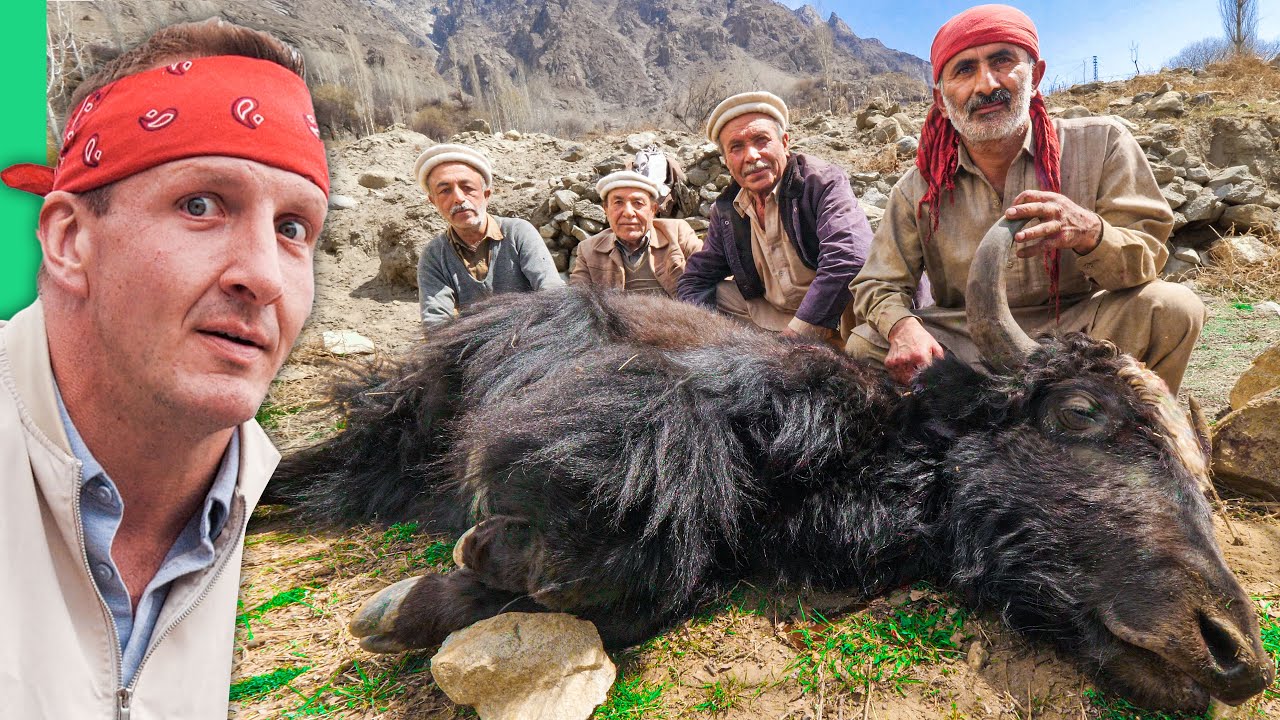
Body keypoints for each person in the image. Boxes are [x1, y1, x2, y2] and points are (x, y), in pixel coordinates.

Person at [0, 19, 329, 717]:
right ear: (68, 240)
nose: (264, 276)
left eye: (293, 227)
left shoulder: (241, 492)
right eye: (201, 205)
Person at [848, 4, 1203, 392]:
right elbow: (878, 284)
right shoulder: (918, 187)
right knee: (865, 343)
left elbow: (1147, 257)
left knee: (1172, 309)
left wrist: (1092, 234)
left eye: (1002, 61)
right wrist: (903, 326)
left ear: (1036, 76)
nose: (986, 85)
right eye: (964, 70)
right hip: (967, 340)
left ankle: (1125, 441)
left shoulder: (1102, 144)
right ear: (940, 99)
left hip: (1080, 331)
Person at [676, 91, 875, 344]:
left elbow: (849, 257)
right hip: (778, 316)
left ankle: (841, 347)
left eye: (761, 140)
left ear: (784, 142)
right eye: (736, 147)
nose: (752, 156)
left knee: (866, 300)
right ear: (726, 161)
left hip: (838, 316)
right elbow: (696, 278)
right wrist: (702, 337)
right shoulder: (727, 209)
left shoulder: (822, 182)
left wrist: (794, 338)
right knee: (716, 296)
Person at [414, 143, 563, 329]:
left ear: (486, 194)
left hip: (530, 336)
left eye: (467, 187)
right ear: (433, 201)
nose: (459, 198)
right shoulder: (435, 255)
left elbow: (553, 295)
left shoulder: (518, 233)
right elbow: (435, 324)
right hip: (473, 348)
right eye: (445, 190)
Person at [569, 170, 702, 296]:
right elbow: (576, 300)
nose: (628, 212)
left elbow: (710, 271)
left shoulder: (677, 233)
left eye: (638, 203)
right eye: (618, 203)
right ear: (606, 210)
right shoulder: (588, 250)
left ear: (653, 209)